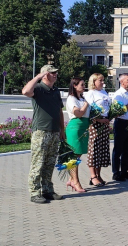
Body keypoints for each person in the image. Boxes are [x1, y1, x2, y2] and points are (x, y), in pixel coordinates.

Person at [22, 65, 66, 204]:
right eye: (52, 73)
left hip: (54, 131)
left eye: (56, 72)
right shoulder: (39, 88)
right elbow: (25, 91)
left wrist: (61, 129)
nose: (55, 75)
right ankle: (35, 192)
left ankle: (47, 190)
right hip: (41, 131)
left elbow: (59, 111)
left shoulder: (55, 90)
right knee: (38, 163)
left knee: (49, 163)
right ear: (44, 75)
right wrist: (37, 77)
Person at [84, 73, 111, 187]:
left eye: (103, 80)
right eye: (100, 80)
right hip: (95, 125)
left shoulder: (104, 92)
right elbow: (89, 110)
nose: (102, 82)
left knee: (101, 150)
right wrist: (99, 120)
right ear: (93, 81)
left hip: (104, 123)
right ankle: (93, 176)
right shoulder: (90, 94)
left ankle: (98, 175)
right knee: (94, 150)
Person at [65, 77, 90, 193]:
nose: (83, 86)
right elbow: (78, 113)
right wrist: (86, 105)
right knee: (74, 157)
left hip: (83, 128)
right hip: (75, 128)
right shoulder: (71, 99)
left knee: (78, 156)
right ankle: (76, 182)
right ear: (74, 85)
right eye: (81, 84)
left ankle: (71, 179)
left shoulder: (81, 98)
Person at [111, 73, 128, 182]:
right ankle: (116, 173)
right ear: (122, 82)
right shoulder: (118, 94)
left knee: (127, 149)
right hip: (121, 123)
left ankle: (124, 171)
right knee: (118, 149)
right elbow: (117, 112)